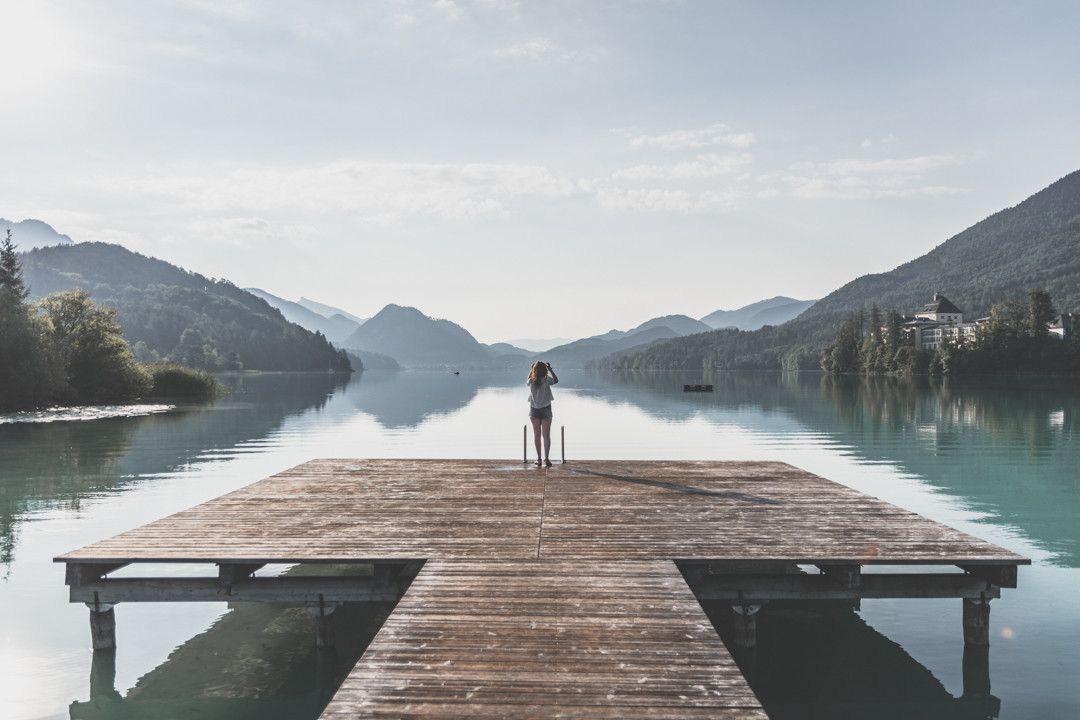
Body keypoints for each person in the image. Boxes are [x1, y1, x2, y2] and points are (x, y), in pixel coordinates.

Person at [526, 360, 558, 467]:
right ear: (544, 370)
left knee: (537, 435)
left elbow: (527, 380)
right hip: (546, 409)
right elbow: (556, 380)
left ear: (534, 370)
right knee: (546, 436)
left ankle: (539, 459)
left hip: (534, 410)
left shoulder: (531, 380)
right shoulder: (546, 379)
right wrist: (550, 369)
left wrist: (531, 369)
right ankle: (547, 459)